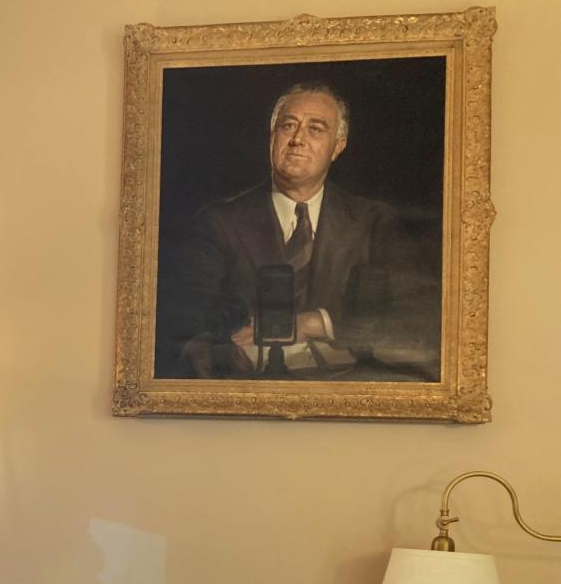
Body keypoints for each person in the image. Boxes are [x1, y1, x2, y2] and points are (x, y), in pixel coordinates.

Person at [156, 82, 440, 380]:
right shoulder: (218, 223)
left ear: (338, 146)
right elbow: (183, 321)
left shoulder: (375, 223)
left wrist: (315, 322)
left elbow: (420, 313)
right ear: (272, 137)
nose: (298, 140)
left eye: (316, 129)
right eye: (288, 126)